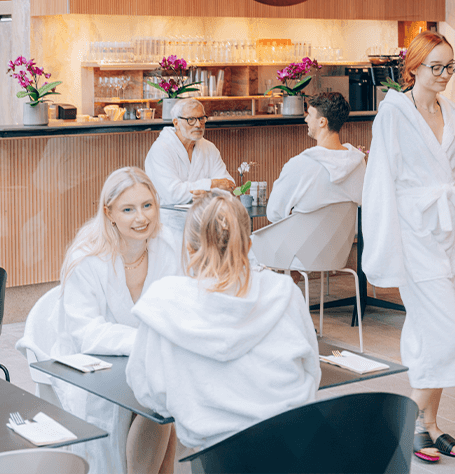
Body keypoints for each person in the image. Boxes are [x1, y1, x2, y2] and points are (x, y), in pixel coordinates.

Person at [362, 32, 455, 463]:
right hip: (415, 235)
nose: (445, 76)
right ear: (412, 68)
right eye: (436, 67)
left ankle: (431, 423)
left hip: (452, 234)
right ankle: (413, 421)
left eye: (450, 66)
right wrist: (382, 248)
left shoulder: (450, 111)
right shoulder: (393, 114)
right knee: (444, 331)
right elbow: (379, 182)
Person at [126, 190, 321, 452]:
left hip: (218, 457)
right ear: (248, 244)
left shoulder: (164, 301)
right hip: (296, 446)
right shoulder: (284, 291)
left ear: (189, 247)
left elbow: (147, 390)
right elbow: (311, 371)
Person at [32, 167, 180, 474]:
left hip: (147, 360)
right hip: (90, 367)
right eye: (128, 209)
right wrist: (146, 341)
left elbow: (181, 304)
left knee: (171, 398)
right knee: (158, 404)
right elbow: (87, 333)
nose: (141, 218)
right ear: (108, 212)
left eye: (147, 205)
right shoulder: (87, 257)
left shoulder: (167, 246)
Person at [265, 91, 365, 223]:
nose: (306, 119)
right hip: (343, 242)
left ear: (322, 122)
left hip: (301, 242)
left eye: (310, 115)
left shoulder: (299, 164)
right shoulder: (359, 163)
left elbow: (273, 213)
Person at [144, 99, 234, 235]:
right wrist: (211, 185)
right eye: (191, 119)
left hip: (206, 224)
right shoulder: (160, 150)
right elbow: (173, 193)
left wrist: (206, 193)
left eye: (201, 118)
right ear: (176, 123)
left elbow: (228, 185)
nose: (198, 124)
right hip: (168, 228)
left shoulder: (209, 147)